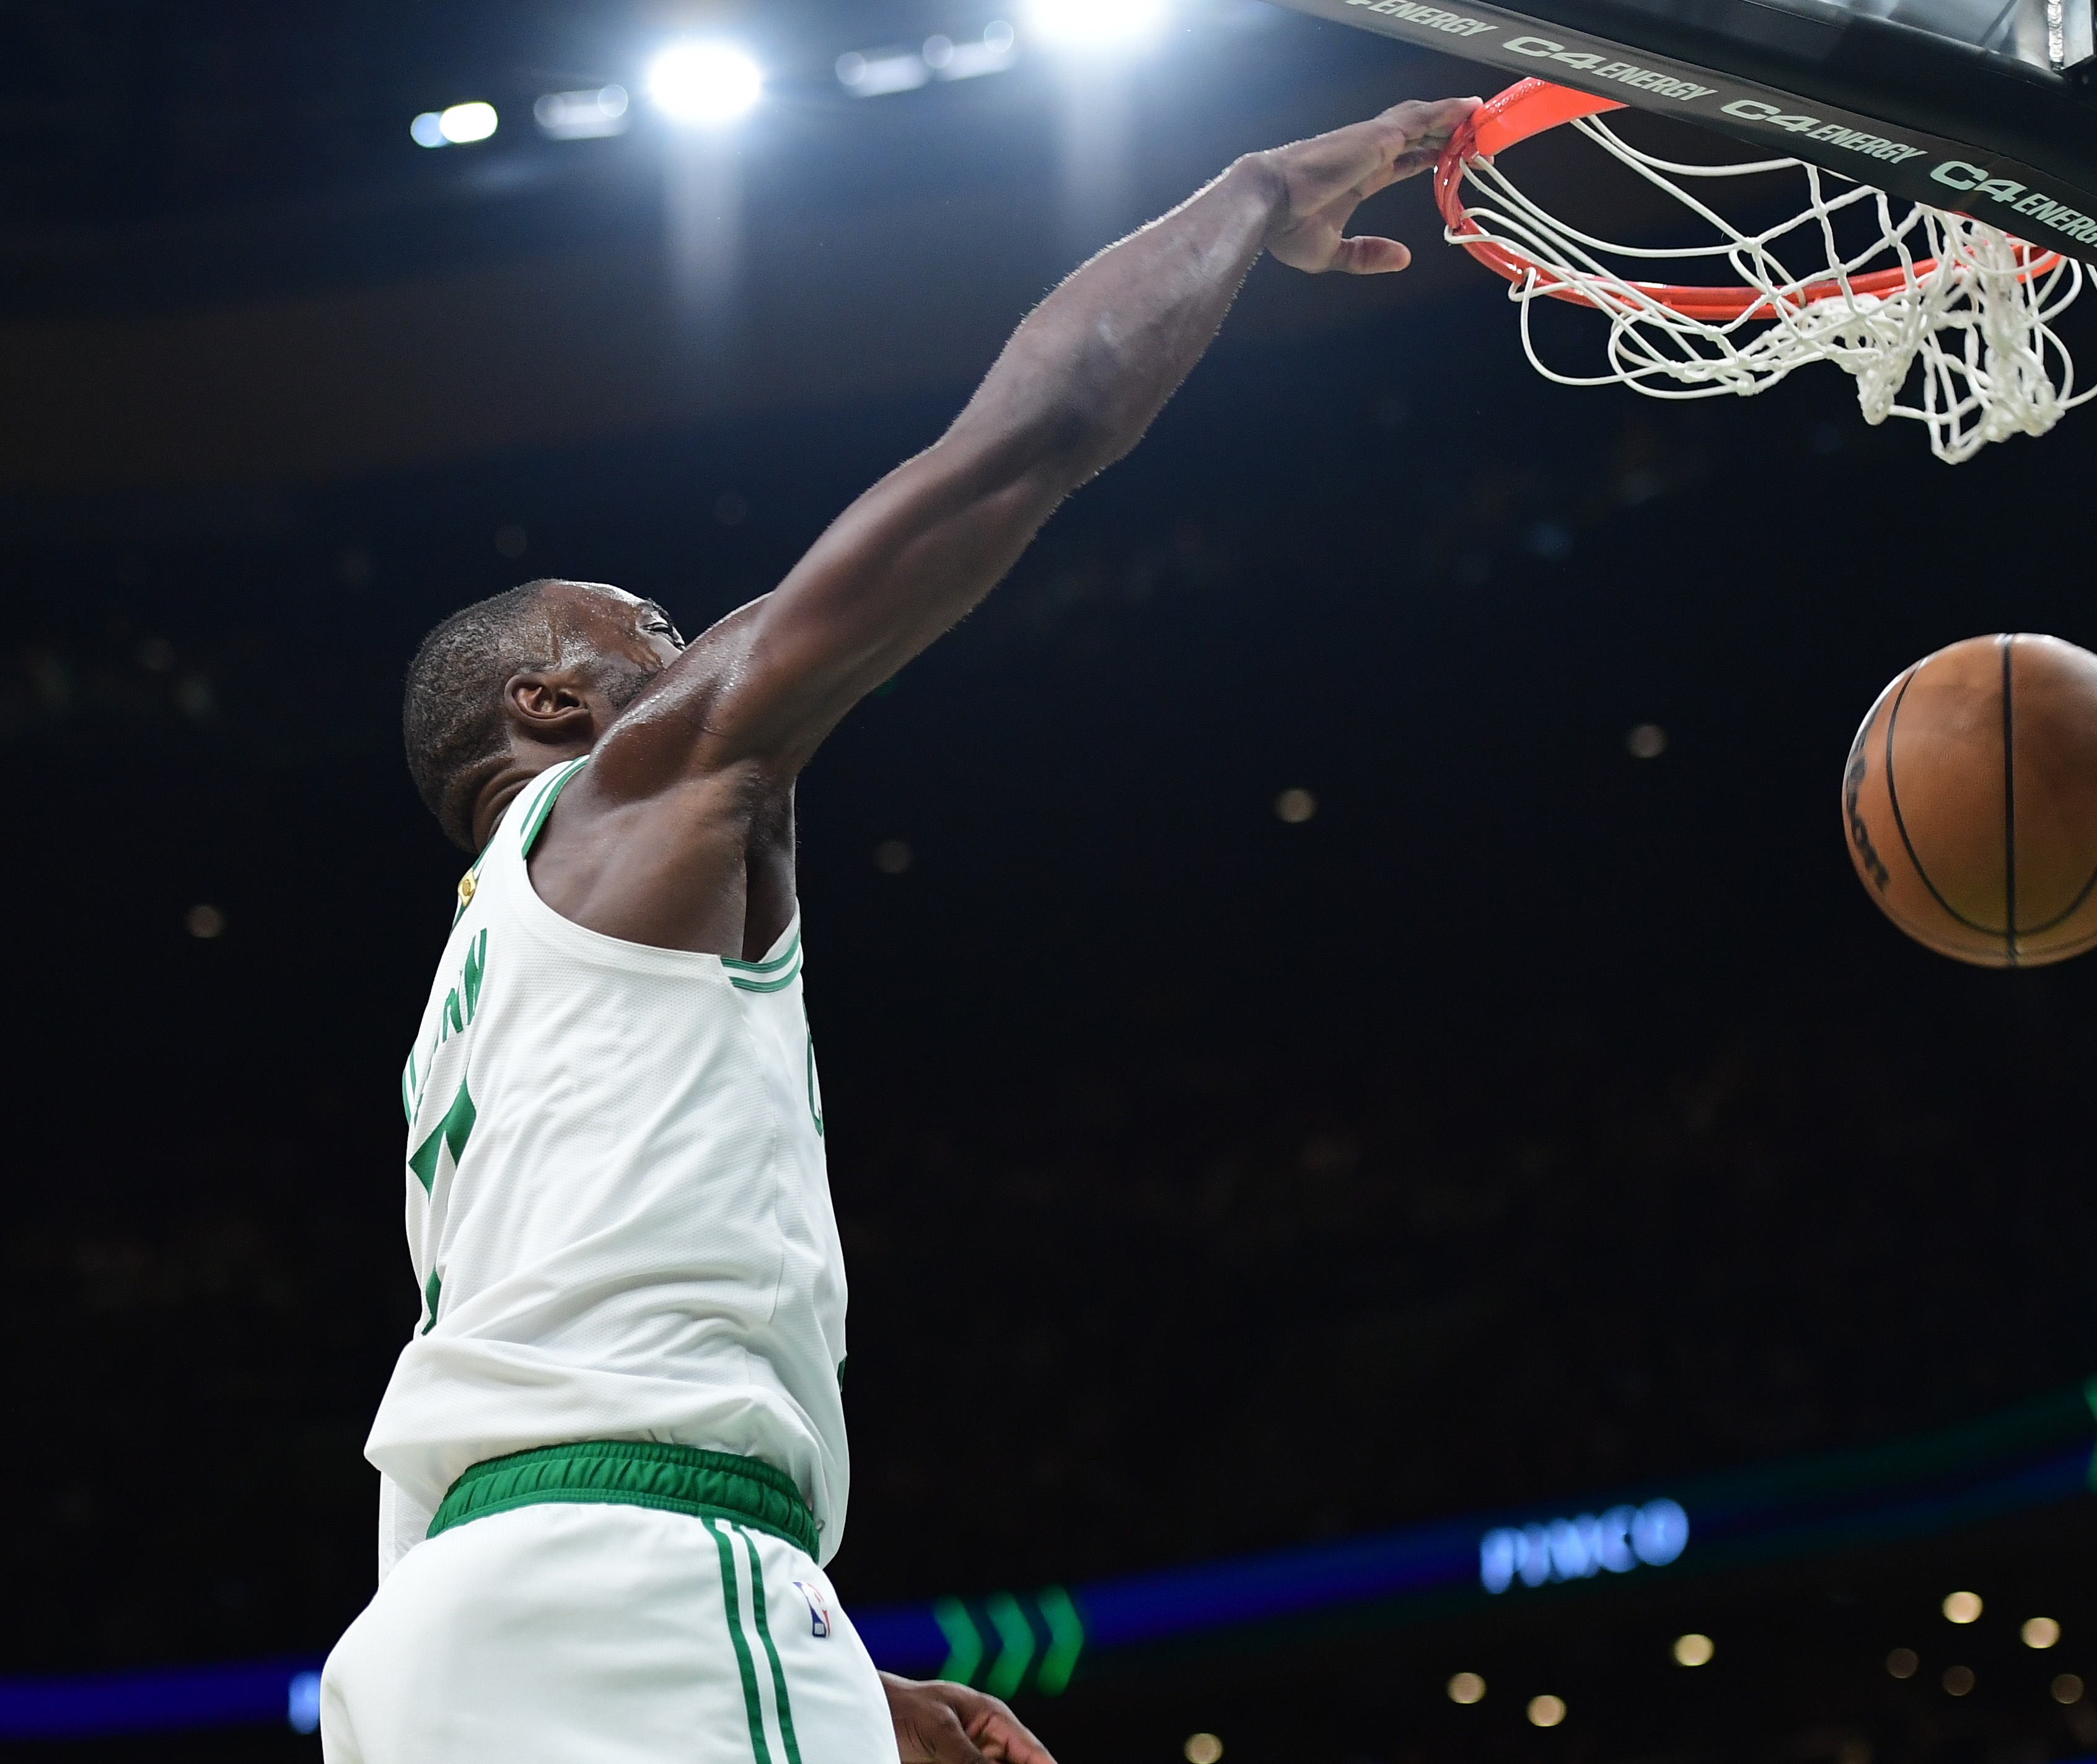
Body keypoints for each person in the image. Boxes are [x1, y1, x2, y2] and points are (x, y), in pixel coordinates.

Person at [320, 94, 1479, 1764]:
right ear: (553, 702)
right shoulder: (635, 800)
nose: (693, 654)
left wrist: (832, 1690)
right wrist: (1250, 194)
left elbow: (549, 1394)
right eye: (650, 631)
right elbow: (1023, 439)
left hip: (443, 1638)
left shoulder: (477, 1004)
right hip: (635, 1588)